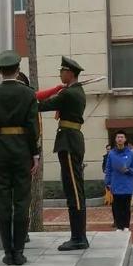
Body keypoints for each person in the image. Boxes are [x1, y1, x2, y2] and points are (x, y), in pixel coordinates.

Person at [0, 50, 40, 266]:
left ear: (0, 70)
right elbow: (33, 127)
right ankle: (19, 251)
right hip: (23, 152)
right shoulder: (29, 93)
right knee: (22, 201)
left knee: (3, 201)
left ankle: (8, 252)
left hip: (0, 153)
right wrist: (35, 153)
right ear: (18, 70)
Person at [38, 56, 89, 251]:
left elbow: (41, 105)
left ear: (70, 73)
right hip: (71, 140)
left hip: (68, 142)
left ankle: (78, 238)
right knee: (74, 190)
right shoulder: (74, 91)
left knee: (74, 191)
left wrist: (19, 103)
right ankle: (78, 236)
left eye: (62, 71)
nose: (60, 74)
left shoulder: (69, 93)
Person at [105, 131, 133, 231]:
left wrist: (128, 170)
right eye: (118, 137)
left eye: (122, 137)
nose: (120, 139)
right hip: (115, 184)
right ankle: (119, 226)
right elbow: (108, 169)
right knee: (117, 207)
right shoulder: (111, 154)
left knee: (126, 207)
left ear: (125, 139)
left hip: (127, 184)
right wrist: (108, 182)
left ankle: (126, 226)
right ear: (115, 139)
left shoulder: (131, 153)